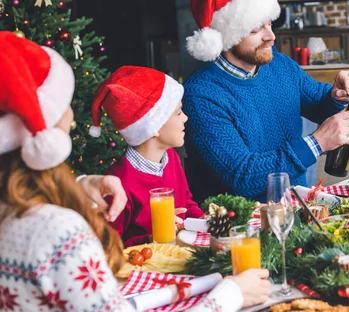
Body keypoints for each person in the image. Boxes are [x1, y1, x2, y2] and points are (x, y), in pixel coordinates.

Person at [0, 32, 270, 312]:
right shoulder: (56, 232)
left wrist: (80, 183)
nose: (70, 113)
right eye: (63, 103)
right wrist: (231, 295)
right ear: (43, 136)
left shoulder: (18, 215)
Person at [182, 0, 349, 202]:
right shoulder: (201, 96)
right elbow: (243, 176)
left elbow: (318, 102)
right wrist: (317, 142)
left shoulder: (279, 65)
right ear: (226, 36)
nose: (271, 36)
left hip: (297, 206)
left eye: (269, 24)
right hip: (238, 224)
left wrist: (337, 96)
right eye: (256, 28)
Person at [89, 66, 205, 247]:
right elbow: (110, 245)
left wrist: (206, 222)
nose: (186, 118)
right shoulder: (119, 183)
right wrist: (153, 238)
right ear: (154, 126)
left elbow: (187, 203)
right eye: (179, 112)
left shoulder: (171, 158)